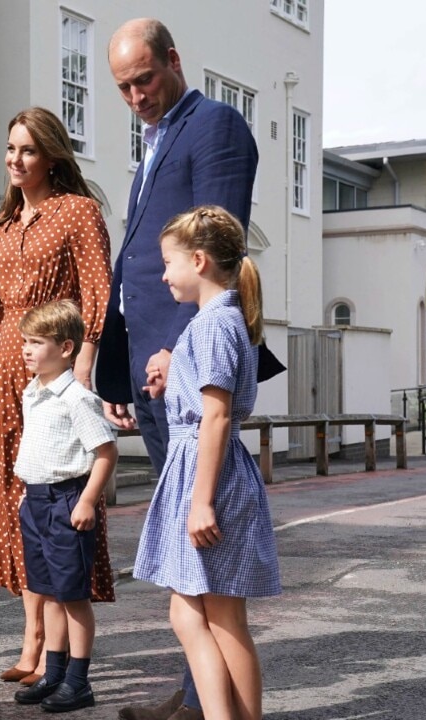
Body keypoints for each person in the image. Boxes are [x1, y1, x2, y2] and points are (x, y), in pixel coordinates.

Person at [93, 18, 262, 720]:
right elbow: (138, 263)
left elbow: (215, 251)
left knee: (205, 564)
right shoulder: (153, 142)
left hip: (187, 366)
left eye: (145, 79)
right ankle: (200, 699)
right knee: (187, 574)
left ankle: (210, 707)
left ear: (174, 60)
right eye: (124, 87)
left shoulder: (215, 127)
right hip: (154, 365)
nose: (136, 95)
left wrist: (180, 350)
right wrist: (117, 367)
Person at [0, 107, 114, 685]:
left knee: (59, 497)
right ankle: (31, 639)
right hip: (6, 377)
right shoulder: (3, 224)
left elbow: (96, 296)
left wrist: (81, 372)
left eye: (27, 150)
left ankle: (56, 650)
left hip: (55, 377)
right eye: (10, 149)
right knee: (16, 508)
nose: (15, 160)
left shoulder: (78, 212)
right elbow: (1, 311)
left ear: (51, 155)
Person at [134, 206, 281, 720]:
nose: (163, 274)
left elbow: (216, 416)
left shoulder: (214, 325)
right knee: (199, 613)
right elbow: (207, 404)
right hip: (203, 471)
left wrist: (201, 503)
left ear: (198, 261)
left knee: (219, 618)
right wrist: (173, 378)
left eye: (168, 262)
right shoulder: (215, 322)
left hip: (208, 480)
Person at [9, 301, 117, 713]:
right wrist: (26, 493)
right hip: (36, 502)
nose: (26, 350)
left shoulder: (77, 398)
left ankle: (78, 681)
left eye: (37, 342)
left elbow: (106, 452)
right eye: (25, 341)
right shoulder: (33, 391)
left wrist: (88, 500)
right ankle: (52, 674)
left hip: (67, 503)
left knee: (73, 596)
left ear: (67, 347)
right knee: (47, 593)